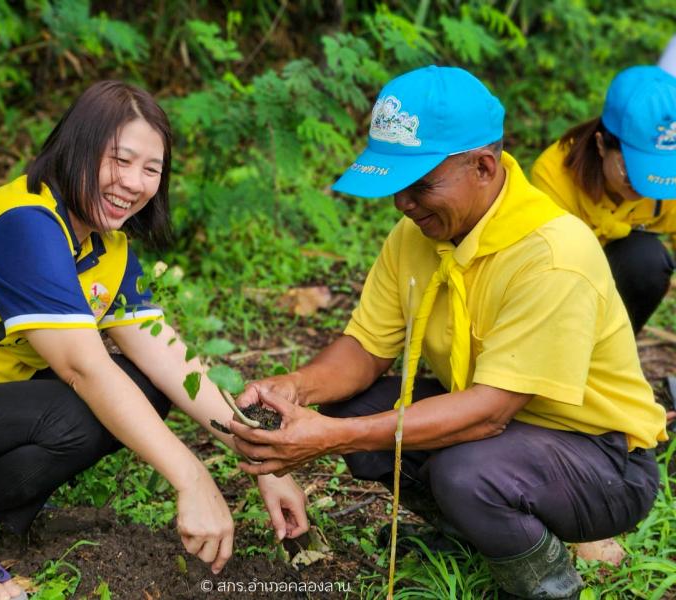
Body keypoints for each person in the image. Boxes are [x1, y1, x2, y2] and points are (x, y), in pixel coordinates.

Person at [227, 66, 668, 600]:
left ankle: (547, 584)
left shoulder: (553, 256)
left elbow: (488, 413)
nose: (403, 204)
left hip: (604, 459)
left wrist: (329, 436)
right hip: (508, 433)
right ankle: (478, 536)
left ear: (483, 166)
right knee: (355, 405)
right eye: (396, 186)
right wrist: (296, 389)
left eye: (421, 185)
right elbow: (365, 349)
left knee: (466, 470)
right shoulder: (415, 235)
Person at [0, 81, 308, 600]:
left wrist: (259, 451)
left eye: (151, 169)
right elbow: (83, 369)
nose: (134, 182)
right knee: (82, 405)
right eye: (119, 160)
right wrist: (192, 479)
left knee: (146, 386)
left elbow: (167, 356)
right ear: (76, 149)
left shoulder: (107, 244)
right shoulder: (26, 225)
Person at [530, 66, 676, 335]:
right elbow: (543, 269)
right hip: (559, 282)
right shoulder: (554, 178)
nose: (646, 184)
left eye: (660, 171)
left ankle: (612, 351)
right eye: (632, 170)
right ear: (601, 144)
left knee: (646, 261)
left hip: (618, 277)